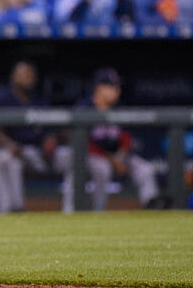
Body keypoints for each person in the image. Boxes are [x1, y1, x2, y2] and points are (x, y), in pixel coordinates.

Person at [54, 68, 161, 212]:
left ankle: (152, 206)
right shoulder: (84, 108)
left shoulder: (119, 109)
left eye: (117, 86)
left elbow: (126, 138)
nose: (117, 90)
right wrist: (113, 161)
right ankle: (98, 212)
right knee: (102, 168)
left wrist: (121, 157)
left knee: (145, 169)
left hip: (115, 156)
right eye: (112, 86)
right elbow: (83, 143)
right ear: (99, 88)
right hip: (89, 155)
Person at [0, 61, 54, 214]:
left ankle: (75, 210)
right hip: (9, 150)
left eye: (30, 75)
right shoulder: (1, 99)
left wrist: (50, 142)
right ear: (14, 77)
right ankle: (10, 209)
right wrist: (10, 145)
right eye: (24, 74)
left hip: (35, 152)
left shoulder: (40, 101)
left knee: (68, 156)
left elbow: (50, 132)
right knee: (5, 159)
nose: (28, 78)